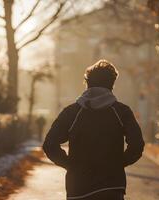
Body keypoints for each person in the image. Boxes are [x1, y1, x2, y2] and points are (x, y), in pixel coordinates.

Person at [43, 60, 144, 200]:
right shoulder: (122, 112)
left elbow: (49, 144)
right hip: (112, 188)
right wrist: (117, 164)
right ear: (112, 84)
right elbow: (137, 145)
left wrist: (71, 166)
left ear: (87, 83)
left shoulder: (71, 112)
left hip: (78, 187)